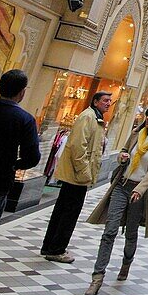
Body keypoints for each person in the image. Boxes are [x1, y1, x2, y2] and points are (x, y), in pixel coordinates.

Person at [83, 104, 148, 295]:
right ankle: (97, 276)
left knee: (131, 232)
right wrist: (122, 157)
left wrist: (140, 189)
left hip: (140, 191)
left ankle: (126, 264)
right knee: (109, 231)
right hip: (122, 185)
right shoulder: (135, 133)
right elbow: (124, 152)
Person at [40, 91, 111, 263]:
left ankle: (50, 245)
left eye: (110, 101)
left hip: (76, 175)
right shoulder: (88, 117)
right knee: (69, 213)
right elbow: (78, 147)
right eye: (104, 100)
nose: (108, 103)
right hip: (76, 176)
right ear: (95, 102)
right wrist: (85, 173)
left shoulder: (96, 117)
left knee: (62, 211)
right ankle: (57, 250)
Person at [0, 69, 40, 225]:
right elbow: (33, 157)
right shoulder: (25, 119)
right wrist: (14, 165)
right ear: (22, 92)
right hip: (0, 179)